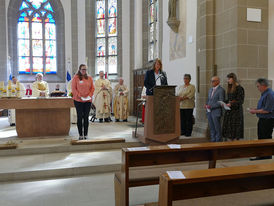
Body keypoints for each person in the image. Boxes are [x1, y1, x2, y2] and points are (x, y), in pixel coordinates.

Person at [249, 78, 274, 160]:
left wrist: (255, 111)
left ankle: (266, 156)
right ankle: (262, 155)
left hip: (267, 120)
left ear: (263, 85)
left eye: (258, 86)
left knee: (265, 138)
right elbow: (263, 107)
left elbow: (267, 110)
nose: (258, 88)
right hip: (263, 119)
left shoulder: (269, 94)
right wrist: (255, 109)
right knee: (261, 138)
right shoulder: (264, 93)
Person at [71, 64, 95, 140]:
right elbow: (73, 89)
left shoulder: (89, 78)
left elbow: (92, 88)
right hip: (78, 100)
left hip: (87, 100)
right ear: (79, 70)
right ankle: (80, 134)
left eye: (85, 69)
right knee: (80, 117)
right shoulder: (76, 78)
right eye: (82, 69)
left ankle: (86, 134)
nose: (84, 71)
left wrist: (89, 95)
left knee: (86, 117)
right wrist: (79, 96)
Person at [222, 73, 245, 141]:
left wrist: (231, 104)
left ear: (233, 78)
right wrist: (224, 103)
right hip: (229, 112)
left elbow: (240, 101)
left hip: (236, 113)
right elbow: (229, 99)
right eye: (227, 79)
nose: (228, 80)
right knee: (229, 132)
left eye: (229, 79)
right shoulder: (230, 88)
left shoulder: (240, 88)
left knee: (235, 132)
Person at [205, 76, 225, 142]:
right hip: (209, 112)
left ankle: (218, 143)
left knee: (217, 128)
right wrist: (206, 104)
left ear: (218, 81)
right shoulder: (210, 89)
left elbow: (221, 102)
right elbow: (208, 99)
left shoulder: (221, 90)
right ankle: (213, 141)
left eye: (213, 81)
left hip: (216, 112)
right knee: (211, 128)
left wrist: (211, 106)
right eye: (211, 81)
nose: (212, 82)